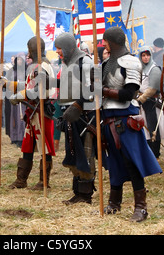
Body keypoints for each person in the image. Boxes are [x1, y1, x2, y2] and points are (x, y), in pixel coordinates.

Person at [100, 27, 162, 222]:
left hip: (126, 120)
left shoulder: (132, 62)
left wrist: (104, 90)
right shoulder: (105, 63)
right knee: (115, 162)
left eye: (105, 41)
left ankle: (141, 208)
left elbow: (129, 93)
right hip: (108, 118)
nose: (104, 44)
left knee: (132, 162)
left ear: (112, 42)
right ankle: (114, 203)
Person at [6, 37, 56, 190]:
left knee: (44, 147)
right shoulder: (36, 66)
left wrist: (20, 95)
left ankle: (43, 182)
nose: (27, 53)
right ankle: (21, 180)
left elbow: (39, 90)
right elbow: (30, 84)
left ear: (33, 50)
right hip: (33, 112)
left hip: (41, 111)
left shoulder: (43, 66)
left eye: (29, 49)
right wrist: (13, 85)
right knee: (27, 146)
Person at [54, 33, 97, 205]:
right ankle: (78, 192)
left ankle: (85, 195)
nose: (58, 52)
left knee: (85, 154)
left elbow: (92, 87)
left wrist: (78, 105)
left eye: (59, 48)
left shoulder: (84, 62)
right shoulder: (66, 63)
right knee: (72, 152)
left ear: (69, 47)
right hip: (69, 114)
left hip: (84, 114)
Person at [137, 46, 162, 158]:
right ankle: (146, 151)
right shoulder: (140, 68)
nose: (146, 57)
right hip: (141, 100)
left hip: (151, 101)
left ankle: (154, 152)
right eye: (143, 55)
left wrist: (141, 99)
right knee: (144, 127)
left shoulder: (154, 68)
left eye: (147, 55)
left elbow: (152, 89)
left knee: (152, 127)